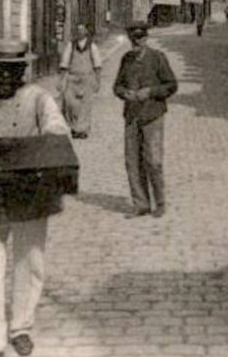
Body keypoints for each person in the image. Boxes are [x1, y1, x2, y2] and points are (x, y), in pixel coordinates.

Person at [0, 39, 71, 357]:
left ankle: (21, 327)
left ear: (24, 70)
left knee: (29, 262)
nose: (5, 76)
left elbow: (58, 132)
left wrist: (36, 147)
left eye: (13, 70)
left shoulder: (39, 99)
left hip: (29, 195)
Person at [113, 20, 178, 219]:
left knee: (153, 160)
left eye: (140, 39)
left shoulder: (158, 58)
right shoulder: (126, 59)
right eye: (133, 40)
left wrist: (150, 92)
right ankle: (141, 204)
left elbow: (171, 85)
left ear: (146, 38)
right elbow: (117, 86)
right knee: (132, 161)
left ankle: (160, 203)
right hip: (132, 116)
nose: (137, 43)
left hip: (153, 115)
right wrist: (125, 93)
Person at [57, 22, 103, 138]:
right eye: (78, 30)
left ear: (86, 31)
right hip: (72, 78)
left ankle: (82, 130)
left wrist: (98, 81)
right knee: (70, 104)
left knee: (85, 105)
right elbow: (64, 63)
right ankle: (74, 126)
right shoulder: (71, 46)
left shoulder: (92, 46)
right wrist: (61, 80)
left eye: (82, 30)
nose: (80, 32)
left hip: (87, 78)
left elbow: (97, 65)